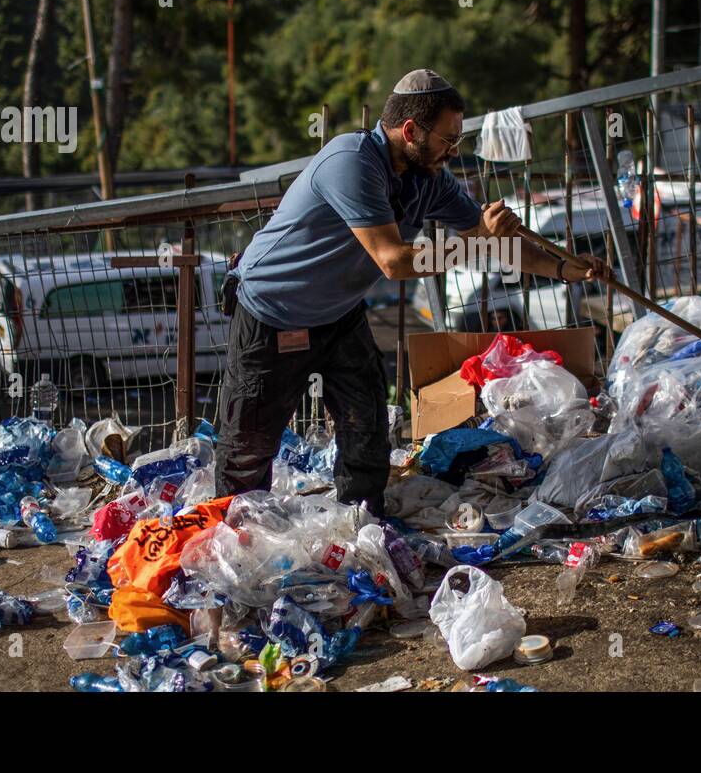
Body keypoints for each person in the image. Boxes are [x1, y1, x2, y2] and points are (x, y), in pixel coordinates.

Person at [215, 69, 611, 512]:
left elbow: (493, 241)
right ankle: (229, 536)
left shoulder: (429, 178)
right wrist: (479, 239)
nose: (453, 151)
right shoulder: (351, 162)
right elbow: (393, 260)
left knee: (365, 427)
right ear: (410, 131)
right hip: (273, 311)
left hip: (338, 314)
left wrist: (563, 268)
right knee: (249, 445)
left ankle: (362, 523)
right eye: (448, 139)